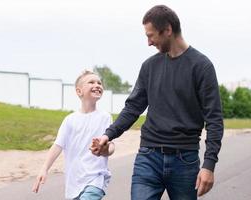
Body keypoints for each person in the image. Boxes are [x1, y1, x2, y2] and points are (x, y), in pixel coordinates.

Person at [91, 5, 223, 200]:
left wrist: (209, 165)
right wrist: (108, 135)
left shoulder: (201, 66)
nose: (148, 42)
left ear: (168, 30)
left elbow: (214, 119)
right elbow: (133, 108)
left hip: (184, 161)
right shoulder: (149, 66)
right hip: (148, 158)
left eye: (151, 36)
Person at [32, 70, 115, 200]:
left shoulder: (105, 117)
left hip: (96, 179)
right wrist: (44, 169)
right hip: (74, 182)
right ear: (79, 91)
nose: (97, 85)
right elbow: (58, 146)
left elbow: (111, 145)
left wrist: (105, 150)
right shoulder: (70, 120)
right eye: (91, 82)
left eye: (99, 82)